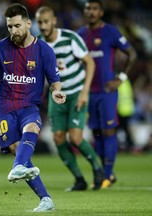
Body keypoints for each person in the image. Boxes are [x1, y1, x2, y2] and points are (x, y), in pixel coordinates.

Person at [0, 3, 66, 212]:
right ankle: (46, 199)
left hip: (29, 105)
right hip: (3, 106)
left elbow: (55, 80)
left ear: (28, 23)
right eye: (9, 27)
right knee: (17, 150)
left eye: (17, 26)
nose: (13, 31)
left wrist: (55, 92)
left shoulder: (44, 50)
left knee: (32, 128)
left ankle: (17, 168)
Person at [35, 6, 106, 191]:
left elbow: (90, 63)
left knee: (75, 138)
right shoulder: (39, 45)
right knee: (58, 138)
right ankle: (79, 180)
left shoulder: (70, 38)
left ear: (54, 21)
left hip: (76, 93)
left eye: (46, 21)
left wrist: (84, 92)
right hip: (56, 96)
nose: (43, 26)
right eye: (39, 22)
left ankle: (98, 169)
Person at [77, 0, 137, 186]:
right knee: (96, 132)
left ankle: (107, 174)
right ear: (85, 12)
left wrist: (121, 78)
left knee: (108, 130)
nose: (91, 12)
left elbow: (131, 54)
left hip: (107, 90)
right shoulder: (80, 35)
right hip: (88, 92)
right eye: (88, 9)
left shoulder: (110, 31)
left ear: (101, 12)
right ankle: (104, 173)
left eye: (95, 9)